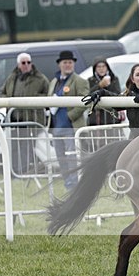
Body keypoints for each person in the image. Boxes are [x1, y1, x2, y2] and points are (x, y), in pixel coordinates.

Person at [0, 53, 49, 174]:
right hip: (15, 119)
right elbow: (2, 92)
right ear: (18, 65)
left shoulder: (41, 79)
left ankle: (25, 170)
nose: (26, 65)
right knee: (15, 146)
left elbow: (48, 96)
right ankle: (16, 171)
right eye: (23, 63)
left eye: (28, 62)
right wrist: (9, 101)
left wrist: (34, 98)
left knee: (27, 146)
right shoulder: (12, 78)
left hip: (32, 119)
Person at [47, 50, 89, 190]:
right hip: (56, 127)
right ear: (59, 64)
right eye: (65, 62)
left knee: (73, 158)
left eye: (70, 62)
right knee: (61, 158)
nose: (68, 65)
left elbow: (85, 101)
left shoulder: (79, 81)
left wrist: (70, 116)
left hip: (71, 127)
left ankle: (75, 185)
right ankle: (68, 183)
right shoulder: (54, 81)